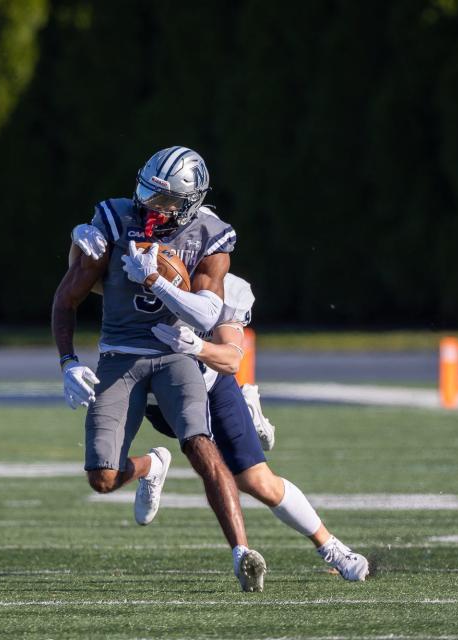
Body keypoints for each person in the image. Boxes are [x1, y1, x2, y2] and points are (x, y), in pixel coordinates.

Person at [72, 227, 370, 582]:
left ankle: (331, 547)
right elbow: (80, 277)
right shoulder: (134, 269)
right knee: (104, 472)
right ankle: (152, 466)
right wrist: (77, 239)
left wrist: (197, 347)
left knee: (257, 481)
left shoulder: (226, 286)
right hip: (152, 396)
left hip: (211, 387)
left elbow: (230, 358)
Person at [52, 146, 266, 592]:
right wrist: (68, 361)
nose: (151, 204)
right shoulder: (112, 220)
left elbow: (208, 315)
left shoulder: (211, 233)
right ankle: (150, 465)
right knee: (102, 479)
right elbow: (67, 295)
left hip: (176, 351)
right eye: (148, 191)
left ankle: (242, 553)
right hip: (120, 354)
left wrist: (156, 280)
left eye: (165, 199)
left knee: (202, 445)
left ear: (190, 201)